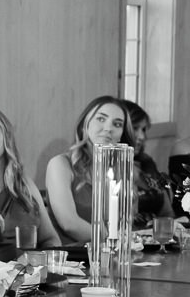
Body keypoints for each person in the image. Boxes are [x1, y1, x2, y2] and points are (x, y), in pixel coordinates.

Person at [0, 106, 60, 257]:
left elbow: (51, 240)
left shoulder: (24, 183)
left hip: (26, 276)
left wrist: (40, 267)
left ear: (7, 137)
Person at [44, 96, 130, 243]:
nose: (108, 128)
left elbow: (124, 224)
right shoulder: (60, 164)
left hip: (109, 256)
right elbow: (69, 224)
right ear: (86, 124)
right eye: (101, 119)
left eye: (117, 124)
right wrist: (109, 242)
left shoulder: (119, 170)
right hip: (70, 258)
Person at [122, 100, 175, 228]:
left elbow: (167, 212)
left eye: (144, 129)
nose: (141, 136)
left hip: (158, 237)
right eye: (135, 128)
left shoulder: (147, 163)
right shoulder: (111, 166)